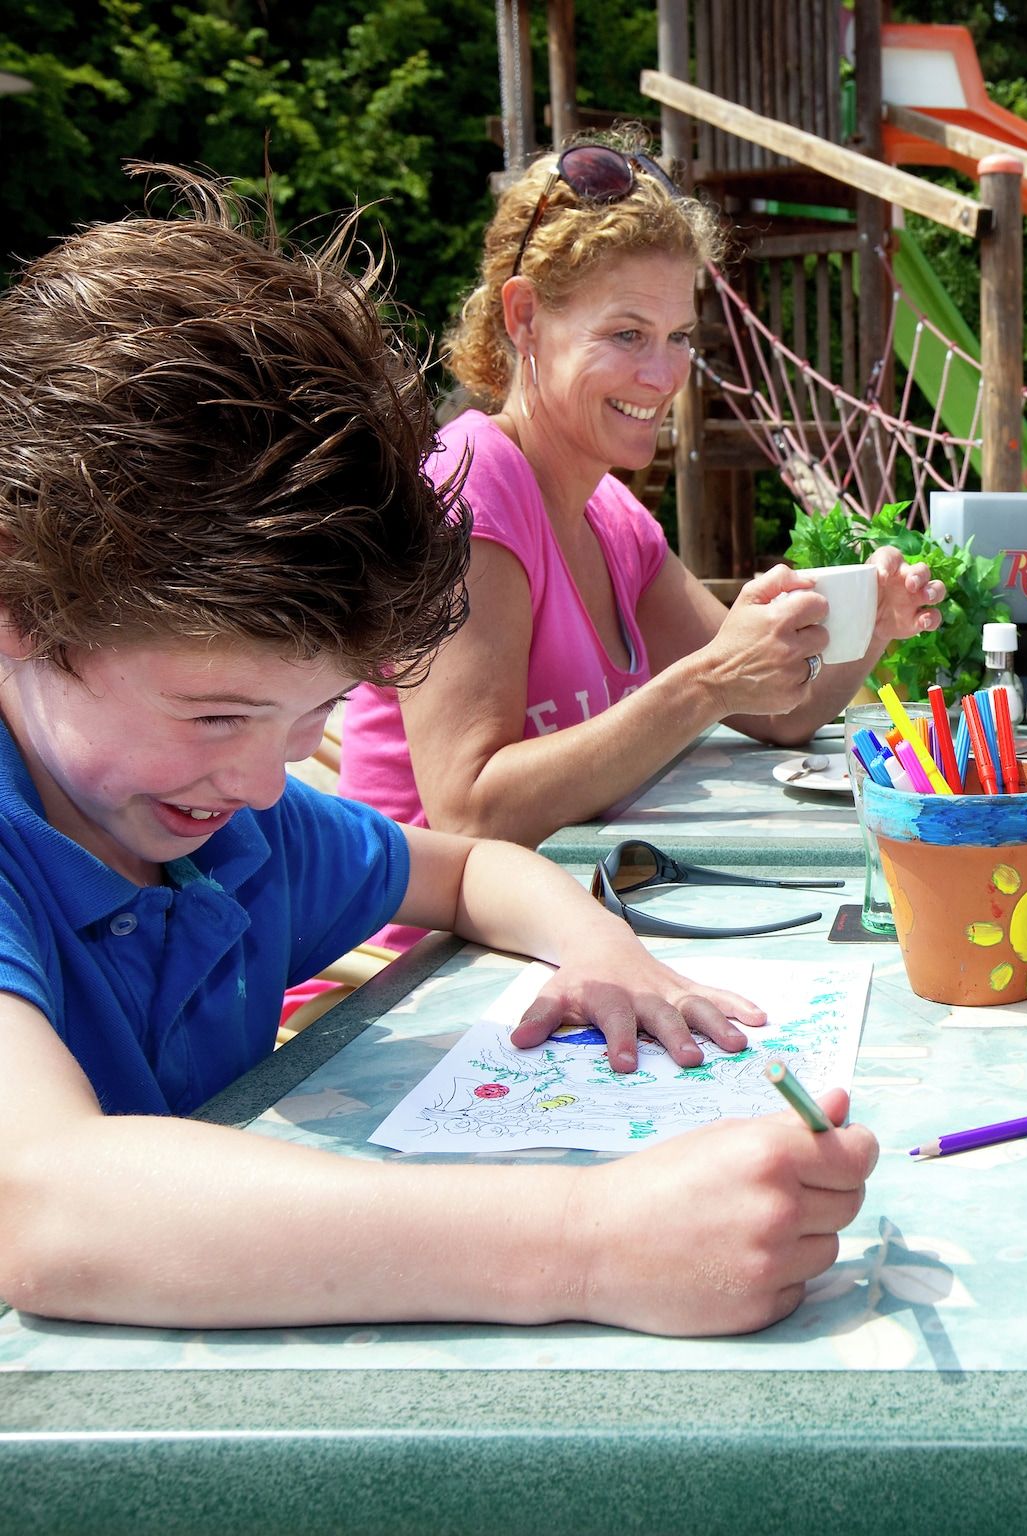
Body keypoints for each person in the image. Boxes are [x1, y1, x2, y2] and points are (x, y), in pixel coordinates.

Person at [0, 174, 876, 1336]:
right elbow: (51, 1207)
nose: (268, 784)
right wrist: (585, 1245)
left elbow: (462, 869)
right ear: (19, 609)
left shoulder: (225, 820)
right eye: (216, 715)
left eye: (310, 718)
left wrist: (599, 947)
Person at [339, 134, 944, 857]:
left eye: (679, 336)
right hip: (417, 958)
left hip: (560, 923)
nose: (663, 376)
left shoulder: (613, 518)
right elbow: (471, 810)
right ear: (524, 317)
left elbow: (778, 712)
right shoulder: (468, 486)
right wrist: (709, 682)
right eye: (628, 334)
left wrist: (869, 626)